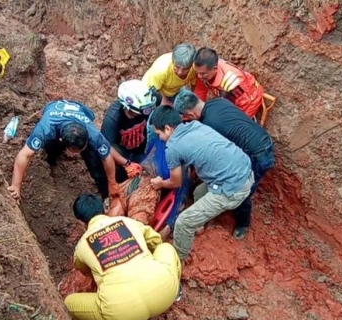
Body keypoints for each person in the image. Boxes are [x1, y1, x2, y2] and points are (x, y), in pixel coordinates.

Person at [65, 193, 182, 320]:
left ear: (80, 222)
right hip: (164, 292)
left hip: (123, 314)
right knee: (165, 247)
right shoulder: (127, 222)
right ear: (105, 209)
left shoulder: (82, 246)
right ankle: (177, 292)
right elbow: (155, 240)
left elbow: (83, 270)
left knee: (68, 304)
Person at [149, 106, 255, 261]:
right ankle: (199, 224)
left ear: (167, 128)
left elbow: (175, 182)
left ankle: (179, 260)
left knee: (183, 223)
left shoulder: (173, 148)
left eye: (159, 134)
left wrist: (160, 183)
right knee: (199, 192)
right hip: (245, 169)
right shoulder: (195, 125)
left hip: (232, 189)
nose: (160, 138)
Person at [173, 89, 275, 240]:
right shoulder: (217, 102)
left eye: (187, 118)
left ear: (190, 115)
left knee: (242, 189)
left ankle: (243, 224)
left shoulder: (209, 125)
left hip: (258, 155)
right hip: (263, 139)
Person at [8, 100, 121, 209]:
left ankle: (105, 194)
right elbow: (24, 155)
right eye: (75, 151)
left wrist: (112, 183)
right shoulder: (45, 128)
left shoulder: (93, 133)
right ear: (63, 141)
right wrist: (16, 186)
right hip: (54, 108)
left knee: (93, 160)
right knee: (51, 148)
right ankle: (52, 160)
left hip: (80, 109)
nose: (78, 154)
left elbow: (107, 157)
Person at [101, 79, 161, 183]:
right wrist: (127, 164)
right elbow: (105, 145)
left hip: (140, 148)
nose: (145, 112)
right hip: (121, 150)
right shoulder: (113, 118)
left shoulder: (148, 100)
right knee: (120, 175)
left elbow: (161, 101)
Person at [192, 47, 265, 119]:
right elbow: (200, 89)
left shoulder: (232, 81)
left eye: (202, 74)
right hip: (229, 98)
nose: (199, 76)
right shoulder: (202, 69)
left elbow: (245, 106)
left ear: (215, 68)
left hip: (250, 102)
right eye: (197, 73)